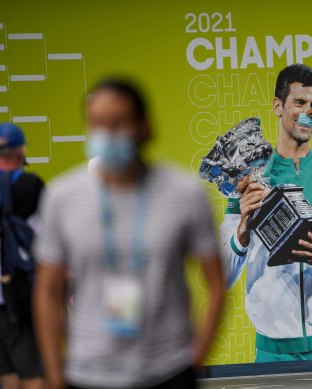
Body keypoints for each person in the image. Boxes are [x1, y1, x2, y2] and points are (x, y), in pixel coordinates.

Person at [33, 79, 225, 389]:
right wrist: (55, 376)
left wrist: (195, 360)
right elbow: (47, 290)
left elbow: (216, 282)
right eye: (97, 123)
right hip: (87, 373)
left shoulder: (185, 192)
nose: (107, 133)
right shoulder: (61, 197)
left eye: (118, 123)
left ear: (144, 127)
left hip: (168, 369)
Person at [220, 64, 312, 369]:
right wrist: (242, 232)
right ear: (277, 106)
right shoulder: (248, 178)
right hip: (274, 350)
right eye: (299, 103)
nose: (308, 112)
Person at [0, 123, 44, 389]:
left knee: (7, 369)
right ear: (21, 150)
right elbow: (47, 241)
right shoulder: (31, 185)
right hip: (23, 291)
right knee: (34, 370)